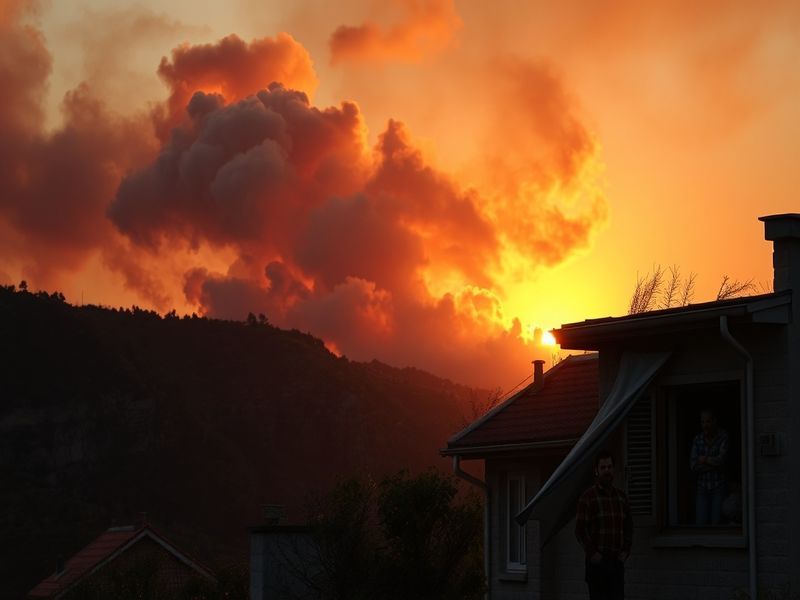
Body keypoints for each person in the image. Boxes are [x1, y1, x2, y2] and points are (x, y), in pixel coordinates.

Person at [575, 450, 633, 600]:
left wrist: (625, 551)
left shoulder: (621, 498)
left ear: (614, 469)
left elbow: (629, 527)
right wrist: (593, 553)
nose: (607, 470)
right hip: (597, 565)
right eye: (603, 467)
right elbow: (580, 530)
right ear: (596, 471)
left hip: (616, 563)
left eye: (609, 467)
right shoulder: (588, 498)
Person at [690, 409, 729, 525]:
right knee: (700, 523)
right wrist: (715, 464)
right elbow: (694, 466)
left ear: (714, 421)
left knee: (716, 523)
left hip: (718, 485)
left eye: (708, 421)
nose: (705, 425)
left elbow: (722, 460)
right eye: (702, 422)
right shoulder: (697, 440)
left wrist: (705, 460)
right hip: (702, 486)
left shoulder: (723, 437)